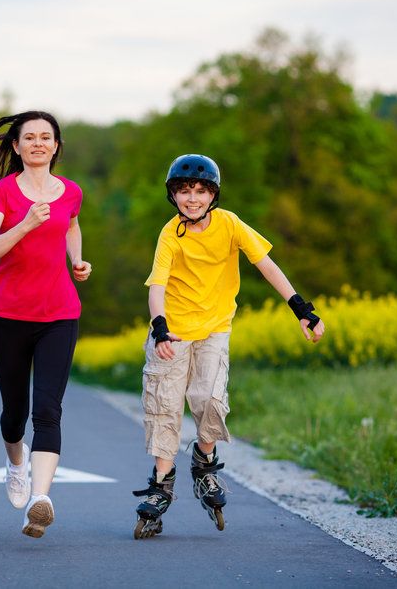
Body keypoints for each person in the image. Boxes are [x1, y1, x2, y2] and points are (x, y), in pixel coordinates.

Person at [133, 154, 325, 538]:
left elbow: (266, 264)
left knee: (210, 399)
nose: (192, 198)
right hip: (172, 333)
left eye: (200, 191)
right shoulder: (170, 234)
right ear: (173, 195)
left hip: (214, 329)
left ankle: (204, 463)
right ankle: (162, 482)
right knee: (164, 405)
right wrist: (159, 327)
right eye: (184, 191)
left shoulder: (230, 224)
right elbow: (157, 286)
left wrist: (301, 308)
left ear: (213, 195)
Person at [0, 111, 92, 538]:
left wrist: (76, 259)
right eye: (30, 137)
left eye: (46, 137)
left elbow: (71, 226)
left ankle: (40, 500)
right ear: (17, 146)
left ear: (56, 145)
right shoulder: (4, 192)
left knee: (47, 409)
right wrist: (25, 224)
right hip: (10, 314)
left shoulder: (71, 192)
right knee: (14, 414)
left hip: (59, 314)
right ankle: (15, 462)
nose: (38, 143)